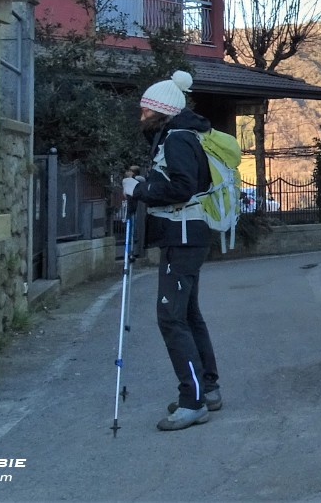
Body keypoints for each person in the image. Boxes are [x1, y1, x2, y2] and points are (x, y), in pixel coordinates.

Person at [122, 70, 222, 431]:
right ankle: (207, 390)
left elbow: (180, 188)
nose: (142, 117)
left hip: (181, 236)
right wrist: (146, 183)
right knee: (189, 314)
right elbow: (183, 182)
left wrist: (138, 191)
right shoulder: (182, 135)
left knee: (171, 318)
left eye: (146, 111)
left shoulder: (177, 139)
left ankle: (193, 401)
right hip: (186, 234)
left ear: (161, 111)